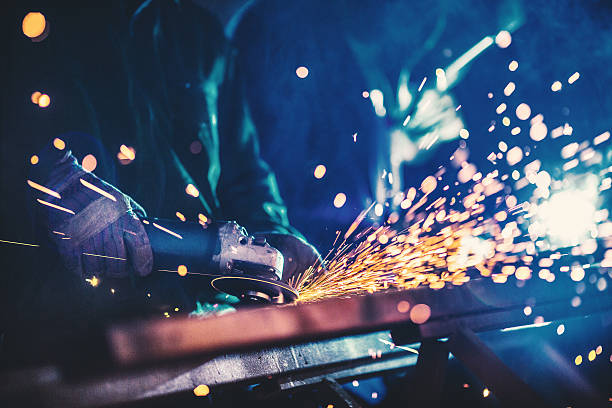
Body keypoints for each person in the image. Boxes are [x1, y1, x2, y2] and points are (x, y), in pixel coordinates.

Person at [0, 0, 318, 348]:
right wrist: (44, 182)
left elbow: (244, 177)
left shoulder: (201, 39)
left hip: (194, 326)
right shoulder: (26, 22)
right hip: (65, 341)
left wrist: (273, 236)